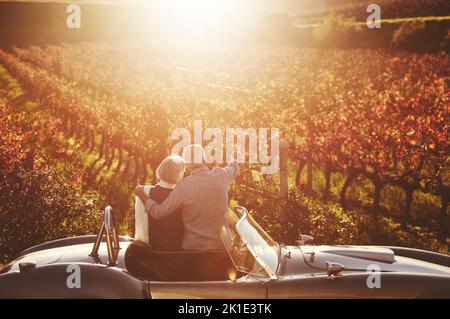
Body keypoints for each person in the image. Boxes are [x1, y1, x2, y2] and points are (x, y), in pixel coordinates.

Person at [143, 144, 239, 251]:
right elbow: (233, 167)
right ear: (203, 159)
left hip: (194, 252)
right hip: (223, 250)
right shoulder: (222, 175)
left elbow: (159, 212)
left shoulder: (183, 186)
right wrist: (233, 157)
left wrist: (143, 195)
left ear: (186, 165)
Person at [134, 155, 185, 251]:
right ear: (179, 174)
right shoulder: (182, 195)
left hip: (153, 248)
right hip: (178, 249)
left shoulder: (145, 191)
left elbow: (141, 224)